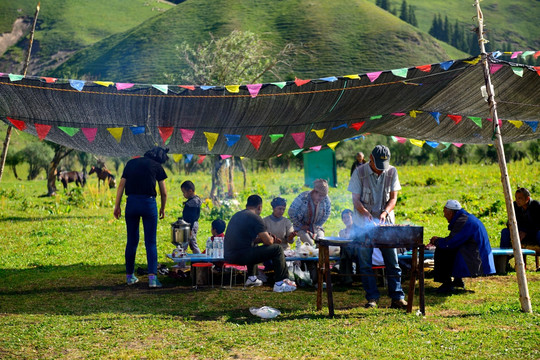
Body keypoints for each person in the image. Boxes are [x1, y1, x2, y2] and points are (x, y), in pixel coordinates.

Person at [348, 144, 407, 309]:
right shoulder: (358, 172)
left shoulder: (392, 171)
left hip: (385, 224)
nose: (381, 170)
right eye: (377, 166)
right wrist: (365, 213)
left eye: (384, 166)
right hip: (363, 224)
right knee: (365, 263)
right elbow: (355, 200)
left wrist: (385, 212)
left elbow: (394, 198)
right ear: (370, 158)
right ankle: (372, 298)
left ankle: (397, 297)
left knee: (392, 261)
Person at [114, 146, 168, 288]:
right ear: (159, 158)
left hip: (131, 203)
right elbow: (164, 192)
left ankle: (130, 276)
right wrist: (162, 208)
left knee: (131, 241)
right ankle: (152, 279)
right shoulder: (156, 166)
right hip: (148, 204)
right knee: (150, 242)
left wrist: (117, 206)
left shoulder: (131, 163)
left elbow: (121, 186)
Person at [224, 195, 297, 292]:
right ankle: (280, 283)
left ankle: (252, 278)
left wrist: (263, 239)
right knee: (277, 249)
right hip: (242, 256)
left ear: (247, 205)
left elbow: (251, 240)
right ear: (259, 207)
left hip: (229, 256)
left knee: (252, 245)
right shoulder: (256, 218)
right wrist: (271, 239)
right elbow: (269, 242)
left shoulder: (237, 215)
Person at [429, 200, 496, 294]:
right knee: (448, 247)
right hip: (478, 254)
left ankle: (446, 284)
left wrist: (436, 241)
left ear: (451, 212)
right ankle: (457, 280)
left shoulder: (463, 221)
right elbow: (456, 238)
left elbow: (450, 243)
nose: (444, 216)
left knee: (442, 250)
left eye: (445, 213)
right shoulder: (464, 218)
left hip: (477, 259)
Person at [339, 209, 384, 286]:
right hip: (350, 252)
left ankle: (346, 279)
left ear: (353, 218)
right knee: (344, 251)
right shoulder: (342, 231)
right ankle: (347, 278)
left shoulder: (358, 229)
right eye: (344, 218)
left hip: (360, 250)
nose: (346, 219)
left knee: (345, 251)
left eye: (348, 217)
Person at [288, 179, 331, 246]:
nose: (322, 198)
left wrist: (318, 225)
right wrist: (301, 226)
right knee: (310, 244)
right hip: (300, 226)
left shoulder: (326, 199)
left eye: (324, 196)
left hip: (316, 226)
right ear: (314, 192)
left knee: (322, 242)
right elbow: (291, 212)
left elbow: (328, 212)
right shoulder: (303, 197)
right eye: (320, 195)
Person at [181, 180, 202, 254]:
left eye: (184, 192)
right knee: (191, 244)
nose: (183, 195)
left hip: (190, 225)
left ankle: (200, 261)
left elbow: (192, 217)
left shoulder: (193, 203)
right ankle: (199, 260)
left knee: (186, 244)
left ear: (190, 191)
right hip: (189, 225)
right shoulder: (195, 200)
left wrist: (189, 229)